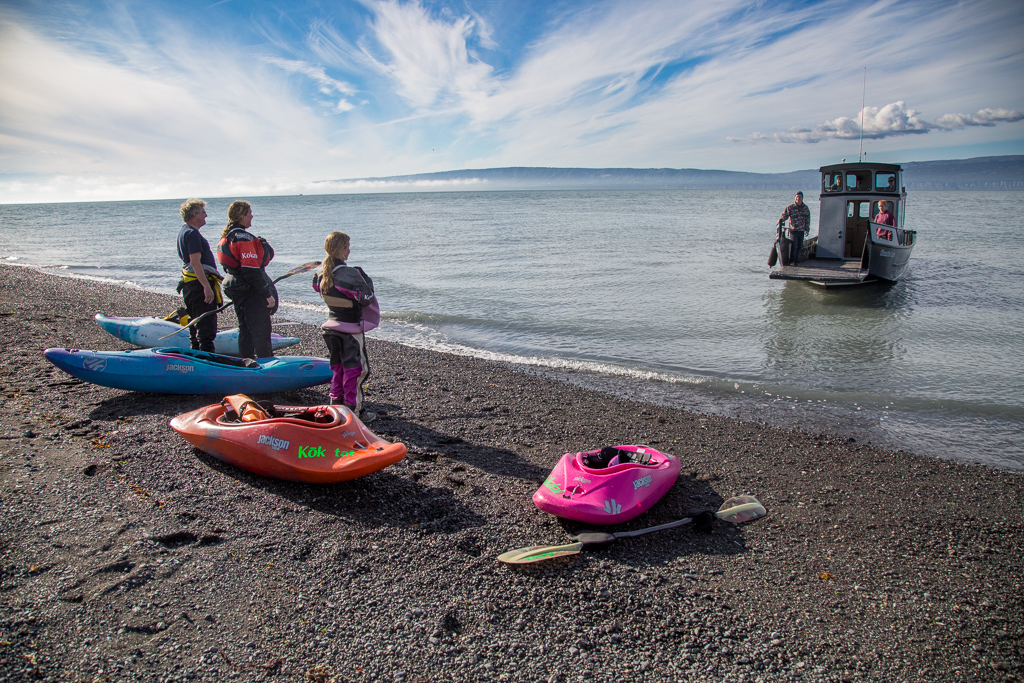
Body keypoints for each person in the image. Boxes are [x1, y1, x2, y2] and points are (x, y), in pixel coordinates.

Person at [312, 232, 380, 422]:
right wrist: (364, 278)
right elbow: (366, 299)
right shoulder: (349, 275)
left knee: (338, 367)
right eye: (348, 247)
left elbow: (321, 289)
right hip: (350, 329)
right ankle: (354, 411)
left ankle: (336, 405)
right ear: (342, 249)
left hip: (331, 328)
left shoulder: (319, 275)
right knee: (356, 370)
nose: (349, 251)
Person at [217, 201, 276, 359]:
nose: (252, 216)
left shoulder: (228, 236)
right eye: (249, 213)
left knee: (245, 328)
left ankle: (246, 361)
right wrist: (267, 294)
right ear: (242, 216)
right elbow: (250, 271)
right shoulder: (243, 238)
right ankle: (267, 363)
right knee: (261, 330)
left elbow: (229, 266)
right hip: (248, 289)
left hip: (234, 286)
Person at [176, 199, 222, 352]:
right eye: (203, 212)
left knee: (195, 323)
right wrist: (206, 287)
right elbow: (195, 262)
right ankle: (206, 360)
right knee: (205, 327)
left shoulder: (185, 231)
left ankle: (196, 355)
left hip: (192, 286)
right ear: (195, 215)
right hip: (197, 286)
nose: (206, 215)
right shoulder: (191, 233)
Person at [779, 191, 811, 264]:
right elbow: (785, 215)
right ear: (795, 197)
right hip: (793, 230)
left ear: (802, 198)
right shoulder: (790, 207)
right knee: (794, 246)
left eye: (800, 197)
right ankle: (793, 261)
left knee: (799, 246)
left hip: (801, 230)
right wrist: (781, 220)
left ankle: (796, 261)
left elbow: (807, 219)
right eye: (797, 197)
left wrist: (807, 229)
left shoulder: (805, 208)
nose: (798, 198)